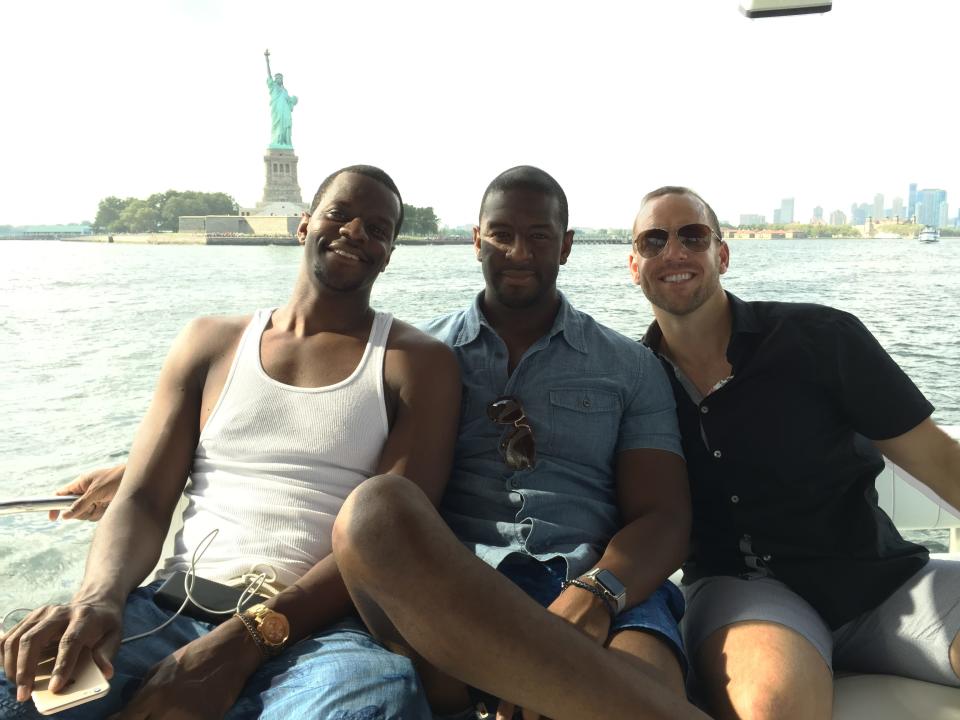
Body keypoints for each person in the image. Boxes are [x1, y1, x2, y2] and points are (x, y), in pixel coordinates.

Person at [0, 165, 462, 719]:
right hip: (172, 607)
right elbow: (144, 499)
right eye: (340, 214)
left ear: (388, 253)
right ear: (304, 224)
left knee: (375, 703)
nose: (356, 231)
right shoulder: (210, 343)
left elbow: (389, 541)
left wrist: (240, 644)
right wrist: (97, 600)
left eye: (378, 228)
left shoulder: (416, 364)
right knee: (22, 680)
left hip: (320, 637)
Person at [331, 166, 708, 719]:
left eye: (539, 236)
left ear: (566, 247)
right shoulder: (418, 358)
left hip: (600, 578)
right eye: (502, 234)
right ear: (476, 240)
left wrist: (597, 594)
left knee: (646, 682)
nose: (519, 252)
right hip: (461, 587)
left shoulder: (629, 366)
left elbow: (665, 516)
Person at [627, 185, 960, 719]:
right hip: (744, 591)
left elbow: (938, 458)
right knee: (772, 708)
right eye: (653, 240)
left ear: (722, 253)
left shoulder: (820, 339)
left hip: (881, 580)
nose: (674, 252)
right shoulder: (632, 385)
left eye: (692, 236)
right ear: (634, 264)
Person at [264, 49, 297, 148]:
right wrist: (267, 60)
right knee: (277, 125)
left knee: (285, 125)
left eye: (280, 78)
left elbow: (290, 102)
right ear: (275, 80)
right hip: (277, 110)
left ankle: (285, 142)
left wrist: (294, 100)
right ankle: (277, 141)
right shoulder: (273, 87)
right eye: (277, 78)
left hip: (285, 110)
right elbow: (269, 75)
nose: (279, 79)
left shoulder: (285, 91)